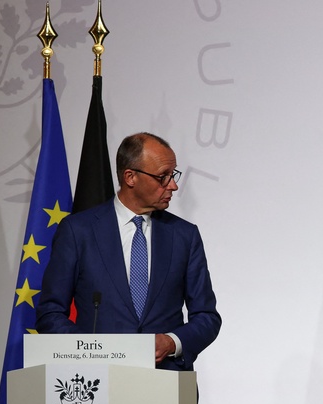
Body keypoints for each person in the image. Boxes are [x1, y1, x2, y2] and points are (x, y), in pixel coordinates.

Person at [36, 132, 221, 370]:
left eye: (173, 175)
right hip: (96, 382)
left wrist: (172, 342)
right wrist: (95, 351)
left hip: (166, 382)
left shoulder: (184, 236)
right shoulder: (78, 231)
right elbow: (50, 313)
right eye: (163, 177)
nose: (173, 185)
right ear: (130, 177)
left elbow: (207, 317)